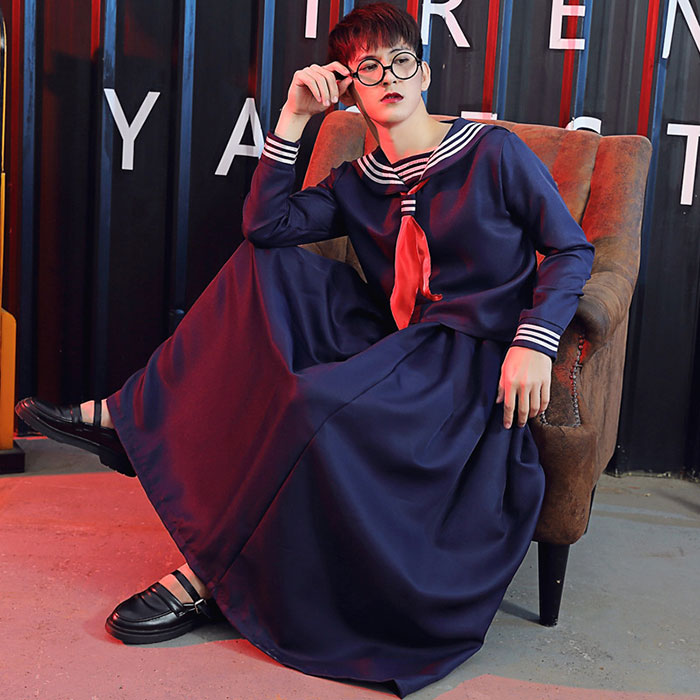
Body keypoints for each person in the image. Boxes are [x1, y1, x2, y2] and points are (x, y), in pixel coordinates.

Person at [15, 3, 595, 697]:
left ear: (425, 73)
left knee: (310, 404)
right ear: (348, 88)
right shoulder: (357, 181)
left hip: (468, 356)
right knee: (260, 263)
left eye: (400, 62)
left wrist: (534, 341)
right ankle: (128, 410)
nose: (388, 77)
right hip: (396, 339)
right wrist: (292, 118)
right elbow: (265, 226)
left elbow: (570, 249)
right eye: (368, 68)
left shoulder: (493, 153)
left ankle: (208, 577)